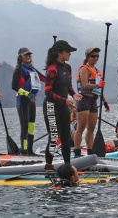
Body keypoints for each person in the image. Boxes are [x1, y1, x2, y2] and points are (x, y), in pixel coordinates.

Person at [44, 40, 82, 168]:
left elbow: (68, 86)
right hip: (51, 106)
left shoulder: (67, 67)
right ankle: (48, 165)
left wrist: (73, 94)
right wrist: (64, 100)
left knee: (65, 137)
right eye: (68, 51)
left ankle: (68, 165)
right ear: (60, 53)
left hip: (63, 106)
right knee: (54, 137)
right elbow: (48, 92)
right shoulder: (52, 69)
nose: (70, 54)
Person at [73, 47, 110, 157]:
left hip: (94, 100)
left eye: (97, 56)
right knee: (81, 127)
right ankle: (77, 151)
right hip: (84, 99)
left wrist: (105, 102)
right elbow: (85, 84)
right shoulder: (84, 69)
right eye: (93, 56)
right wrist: (98, 85)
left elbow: (99, 90)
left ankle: (90, 151)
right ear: (88, 57)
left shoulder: (98, 71)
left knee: (91, 128)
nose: (95, 58)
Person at [12, 47, 46, 155]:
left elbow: (45, 78)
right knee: (25, 125)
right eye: (26, 54)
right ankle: (24, 150)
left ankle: (30, 150)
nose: (28, 56)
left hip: (32, 101)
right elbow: (14, 86)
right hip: (22, 100)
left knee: (32, 125)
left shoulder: (33, 70)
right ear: (20, 57)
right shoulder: (19, 70)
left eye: (29, 54)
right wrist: (27, 94)